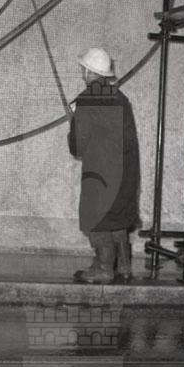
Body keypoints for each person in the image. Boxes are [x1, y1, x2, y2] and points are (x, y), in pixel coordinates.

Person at [68, 47, 140, 284]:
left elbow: (77, 147)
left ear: (89, 72)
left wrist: (73, 121)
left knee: (96, 218)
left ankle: (104, 268)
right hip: (126, 172)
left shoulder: (86, 99)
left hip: (100, 173)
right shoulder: (121, 98)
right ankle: (124, 266)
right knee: (117, 216)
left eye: (83, 69)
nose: (82, 72)